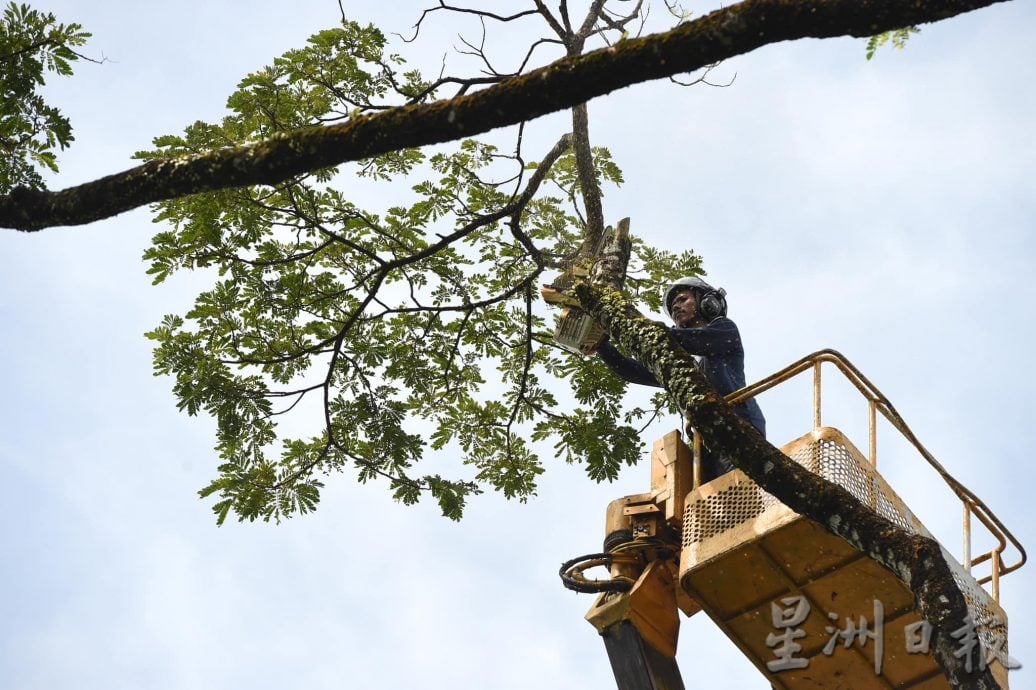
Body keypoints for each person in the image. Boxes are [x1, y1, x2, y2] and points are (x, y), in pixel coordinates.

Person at [595, 276, 766, 481]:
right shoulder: (680, 360)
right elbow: (631, 370)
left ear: (707, 303)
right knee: (714, 508)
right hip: (705, 442)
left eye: (683, 299)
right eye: (673, 304)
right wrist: (601, 346)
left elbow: (695, 341)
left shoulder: (724, 329)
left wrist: (652, 332)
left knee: (739, 492)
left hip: (738, 425)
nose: (676, 306)